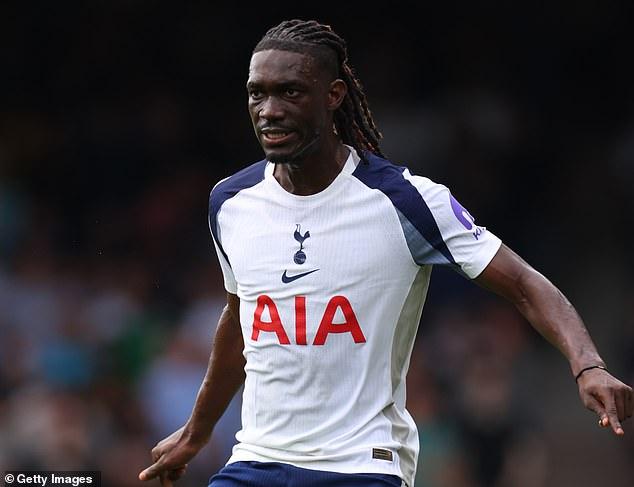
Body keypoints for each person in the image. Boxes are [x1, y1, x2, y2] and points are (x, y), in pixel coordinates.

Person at [139, 19, 633, 487]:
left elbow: (523, 283)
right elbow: (241, 318)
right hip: (257, 460)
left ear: (334, 95)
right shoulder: (230, 202)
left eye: (290, 92)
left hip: (361, 465)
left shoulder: (406, 201)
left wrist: (587, 364)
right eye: (257, 93)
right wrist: (197, 432)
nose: (269, 109)